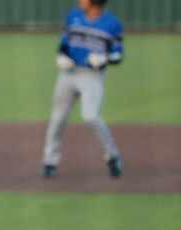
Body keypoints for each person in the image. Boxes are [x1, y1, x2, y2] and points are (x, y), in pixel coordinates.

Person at [41, 0, 124, 179]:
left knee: (90, 116)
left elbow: (118, 55)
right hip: (68, 74)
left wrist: (105, 59)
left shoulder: (112, 24)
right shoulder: (73, 16)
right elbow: (63, 44)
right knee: (58, 119)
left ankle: (112, 156)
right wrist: (61, 56)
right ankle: (49, 162)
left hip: (92, 76)